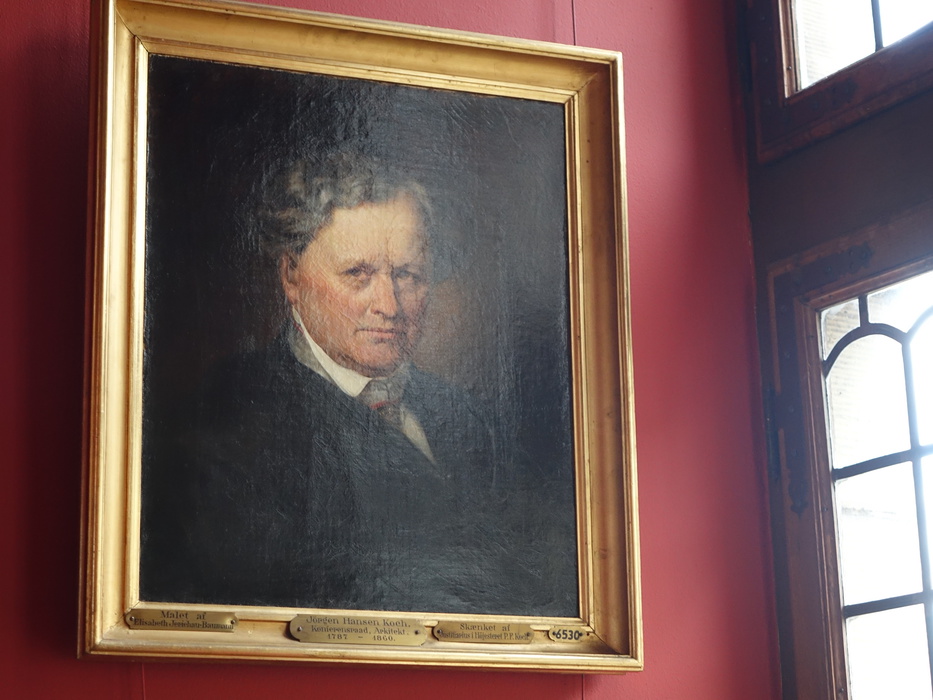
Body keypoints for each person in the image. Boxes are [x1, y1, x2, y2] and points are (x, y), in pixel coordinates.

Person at [140, 152, 576, 615]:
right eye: (357, 274)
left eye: (407, 275)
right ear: (291, 276)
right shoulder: (230, 424)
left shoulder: (471, 419)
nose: (389, 305)